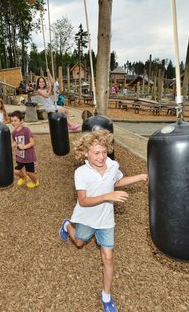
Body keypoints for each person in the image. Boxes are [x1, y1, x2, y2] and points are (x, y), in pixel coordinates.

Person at [58, 129, 148, 312]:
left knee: (108, 257)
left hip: (106, 220)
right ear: (85, 153)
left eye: (104, 152)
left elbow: (116, 182)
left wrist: (140, 177)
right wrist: (109, 196)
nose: (101, 157)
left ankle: (106, 295)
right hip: (86, 218)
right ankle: (68, 226)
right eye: (96, 153)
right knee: (79, 242)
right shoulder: (81, 173)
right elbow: (83, 201)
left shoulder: (113, 165)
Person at [10, 110, 39, 188]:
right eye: (12, 121)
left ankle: (35, 182)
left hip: (29, 157)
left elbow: (32, 142)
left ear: (21, 121)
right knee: (16, 171)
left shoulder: (26, 130)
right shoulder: (13, 133)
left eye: (15, 120)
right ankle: (24, 177)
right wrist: (10, 146)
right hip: (20, 157)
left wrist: (24, 147)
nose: (13, 122)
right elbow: (15, 142)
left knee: (30, 173)